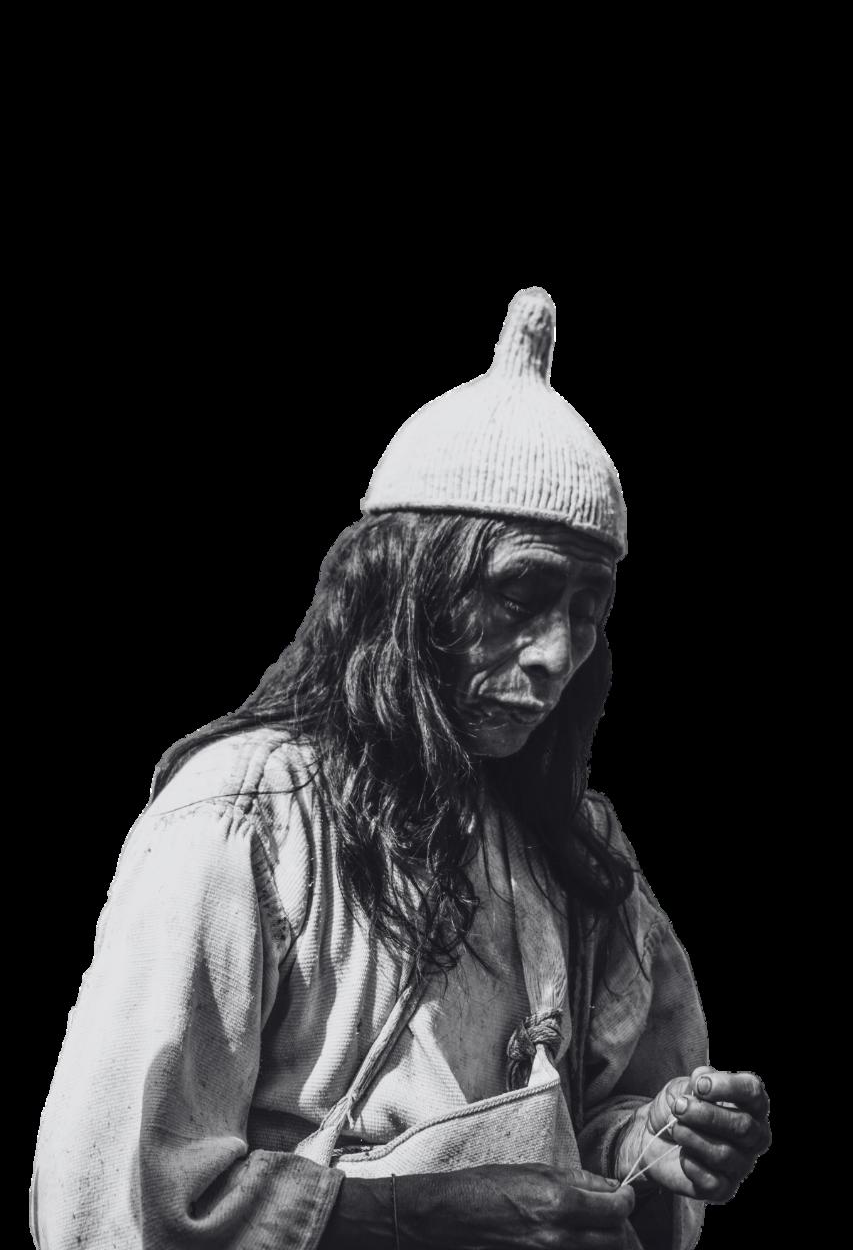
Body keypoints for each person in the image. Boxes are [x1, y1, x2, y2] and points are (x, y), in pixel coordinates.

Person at [31, 287, 770, 1250]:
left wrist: (654, 1138)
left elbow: (594, 1122)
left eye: (587, 610)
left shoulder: (573, 843)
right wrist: (410, 1215)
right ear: (401, 592)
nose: (557, 654)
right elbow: (111, 1198)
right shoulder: (247, 817)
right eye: (520, 594)